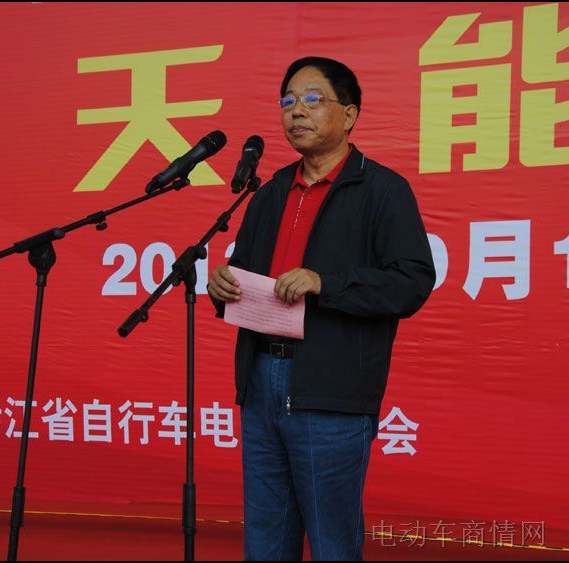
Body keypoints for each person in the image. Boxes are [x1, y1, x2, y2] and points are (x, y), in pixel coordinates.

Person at [208, 56, 435, 561]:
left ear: (349, 114)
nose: (296, 111)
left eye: (312, 99)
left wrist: (324, 283)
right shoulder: (269, 193)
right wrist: (222, 285)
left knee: (333, 543)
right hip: (260, 381)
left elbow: (412, 282)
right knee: (266, 537)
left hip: (331, 390)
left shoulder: (382, 190)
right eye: (288, 101)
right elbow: (244, 269)